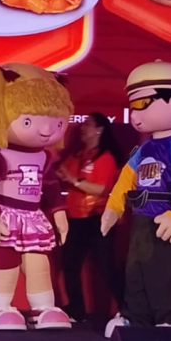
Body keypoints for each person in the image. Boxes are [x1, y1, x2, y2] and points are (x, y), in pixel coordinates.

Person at [101, 61, 171, 336]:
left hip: (167, 222)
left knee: (167, 272)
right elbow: (126, 178)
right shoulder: (144, 148)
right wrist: (113, 208)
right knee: (136, 271)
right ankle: (135, 318)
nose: (135, 114)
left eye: (142, 104)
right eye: (132, 105)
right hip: (142, 221)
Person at [0, 64, 73, 331]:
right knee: (7, 263)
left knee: (38, 262)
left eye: (57, 123)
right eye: (28, 121)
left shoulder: (43, 156)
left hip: (32, 216)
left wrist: (59, 212)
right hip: (5, 214)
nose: (47, 130)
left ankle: (42, 307)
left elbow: (50, 186)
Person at [56, 112, 126, 323]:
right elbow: (62, 172)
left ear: (99, 130)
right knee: (70, 265)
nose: (82, 128)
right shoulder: (77, 154)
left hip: (96, 219)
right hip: (74, 218)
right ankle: (76, 311)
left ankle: (127, 309)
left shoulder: (105, 157)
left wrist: (74, 180)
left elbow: (102, 189)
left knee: (106, 267)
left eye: (87, 124)